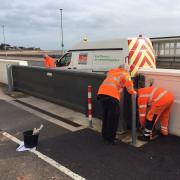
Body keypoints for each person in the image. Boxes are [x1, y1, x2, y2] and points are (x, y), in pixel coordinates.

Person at [97, 64, 136, 144]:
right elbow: (129, 86)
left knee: (106, 116)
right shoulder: (125, 74)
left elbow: (114, 83)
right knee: (113, 118)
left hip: (101, 94)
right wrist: (134, 92)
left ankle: (105, 136)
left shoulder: (112, 71)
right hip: (112, 97)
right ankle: (111, 139)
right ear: (126, 70)